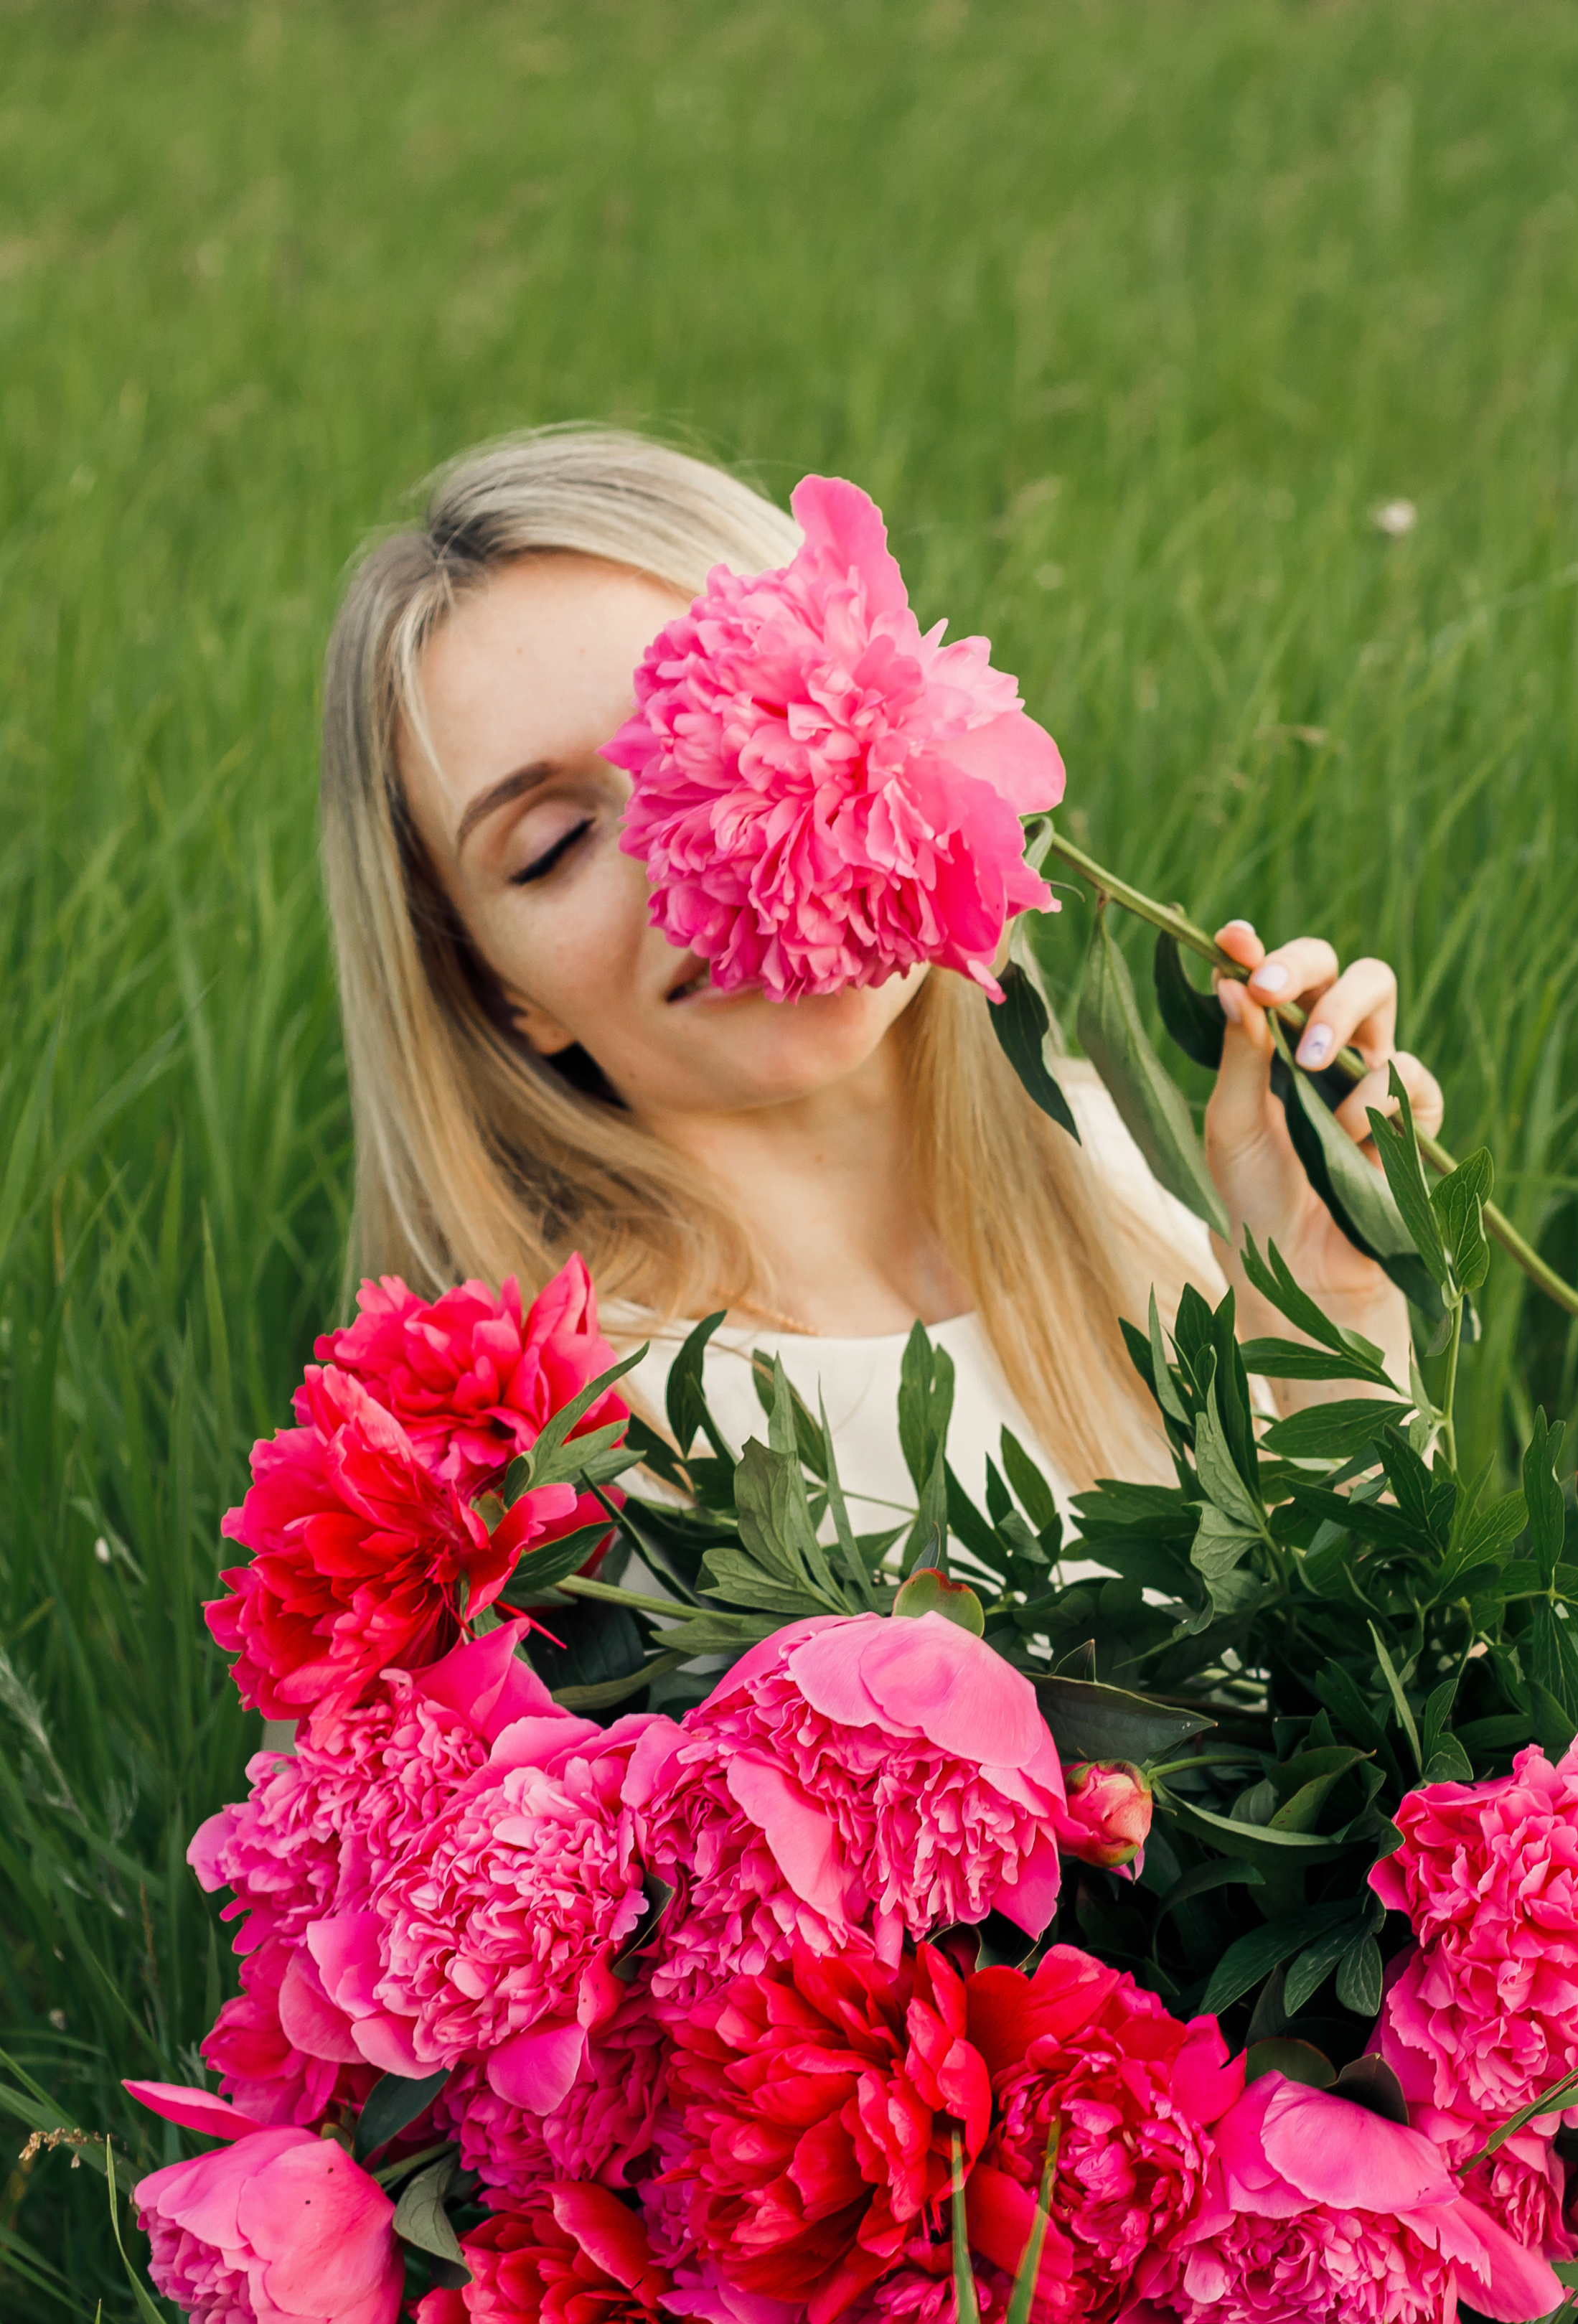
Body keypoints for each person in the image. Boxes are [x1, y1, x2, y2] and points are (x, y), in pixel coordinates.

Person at [320, 426, 1444, 1520]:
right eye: (553, 847)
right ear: (491, 988)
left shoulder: (1128, 1180)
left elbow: (1391, 1700)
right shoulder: (525, 1452)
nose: (690, 852)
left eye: (725, 732)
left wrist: (1334, 1324)